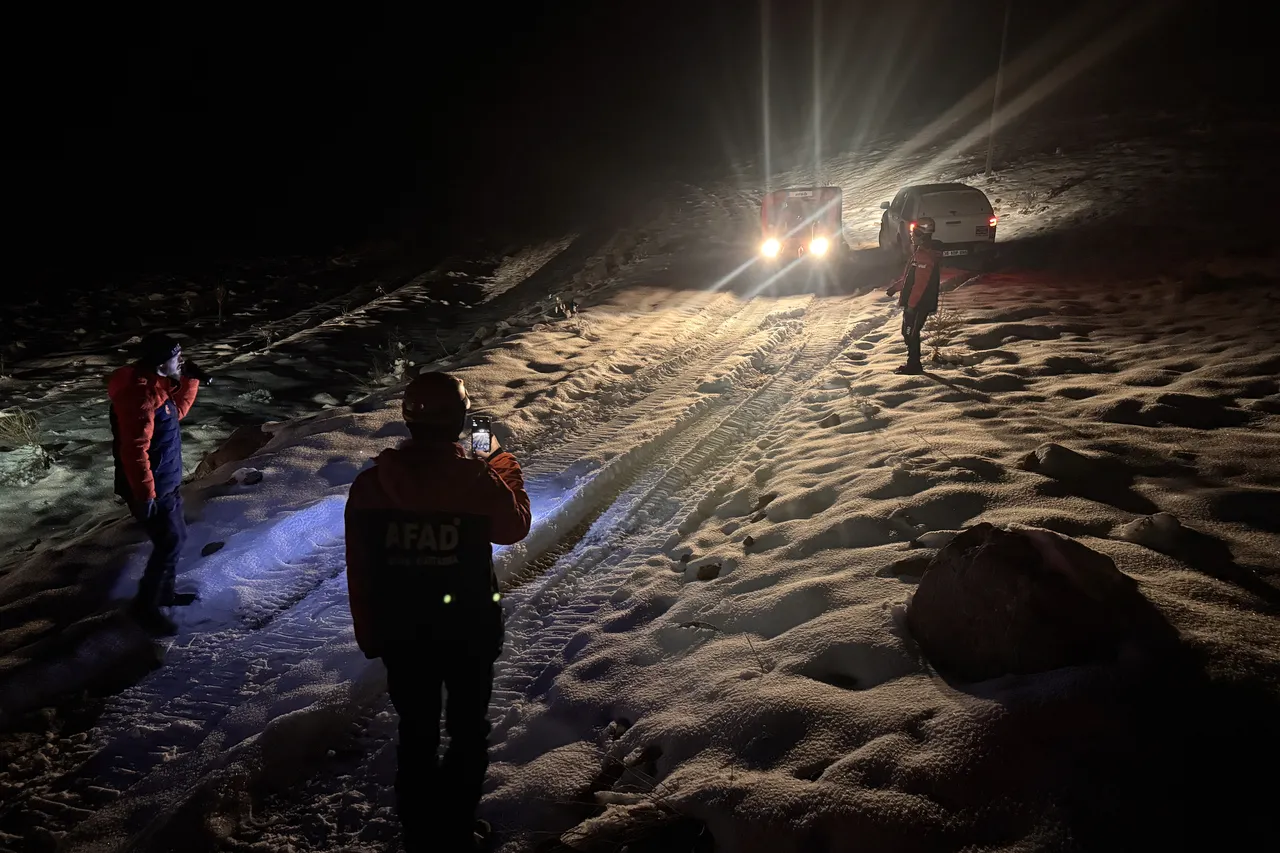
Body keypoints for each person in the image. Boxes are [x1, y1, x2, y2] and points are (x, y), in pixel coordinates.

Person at [344, 371, 531, 852]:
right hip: (469, 629)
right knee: (468, 730)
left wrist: (370, 631)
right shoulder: (477, 476)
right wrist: (498, 461)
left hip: (403, 633)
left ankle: (418, 831)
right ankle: (456, 827)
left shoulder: (371, 485)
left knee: (417, 731)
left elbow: (360, 568)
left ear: (408, 420)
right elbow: (514, 527)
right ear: (461, 420)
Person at [108, 333, 205, 635]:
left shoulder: (156, 386)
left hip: (165, 479)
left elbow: (173, 414)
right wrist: (145, 494)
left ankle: (163, 593)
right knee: (169, 541)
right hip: (153, 486)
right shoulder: (139, 395)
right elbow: (134, 449)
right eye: (177, 357)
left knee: (175, 538)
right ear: (162, 363)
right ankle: (144, 607)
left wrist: (189, 381)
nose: (182, 360)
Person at [886, 216, 941, 374]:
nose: (911, 236)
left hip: (919, 304)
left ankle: (914, 365)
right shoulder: (920, 252)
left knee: (911, 333)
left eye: (914, 233)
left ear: (922, 234)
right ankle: (913, 363)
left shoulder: (925, 256)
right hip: (916, 302)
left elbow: (920, 285)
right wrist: (895, 288)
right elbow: (910, 278)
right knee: (908, 332)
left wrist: (911, 306)